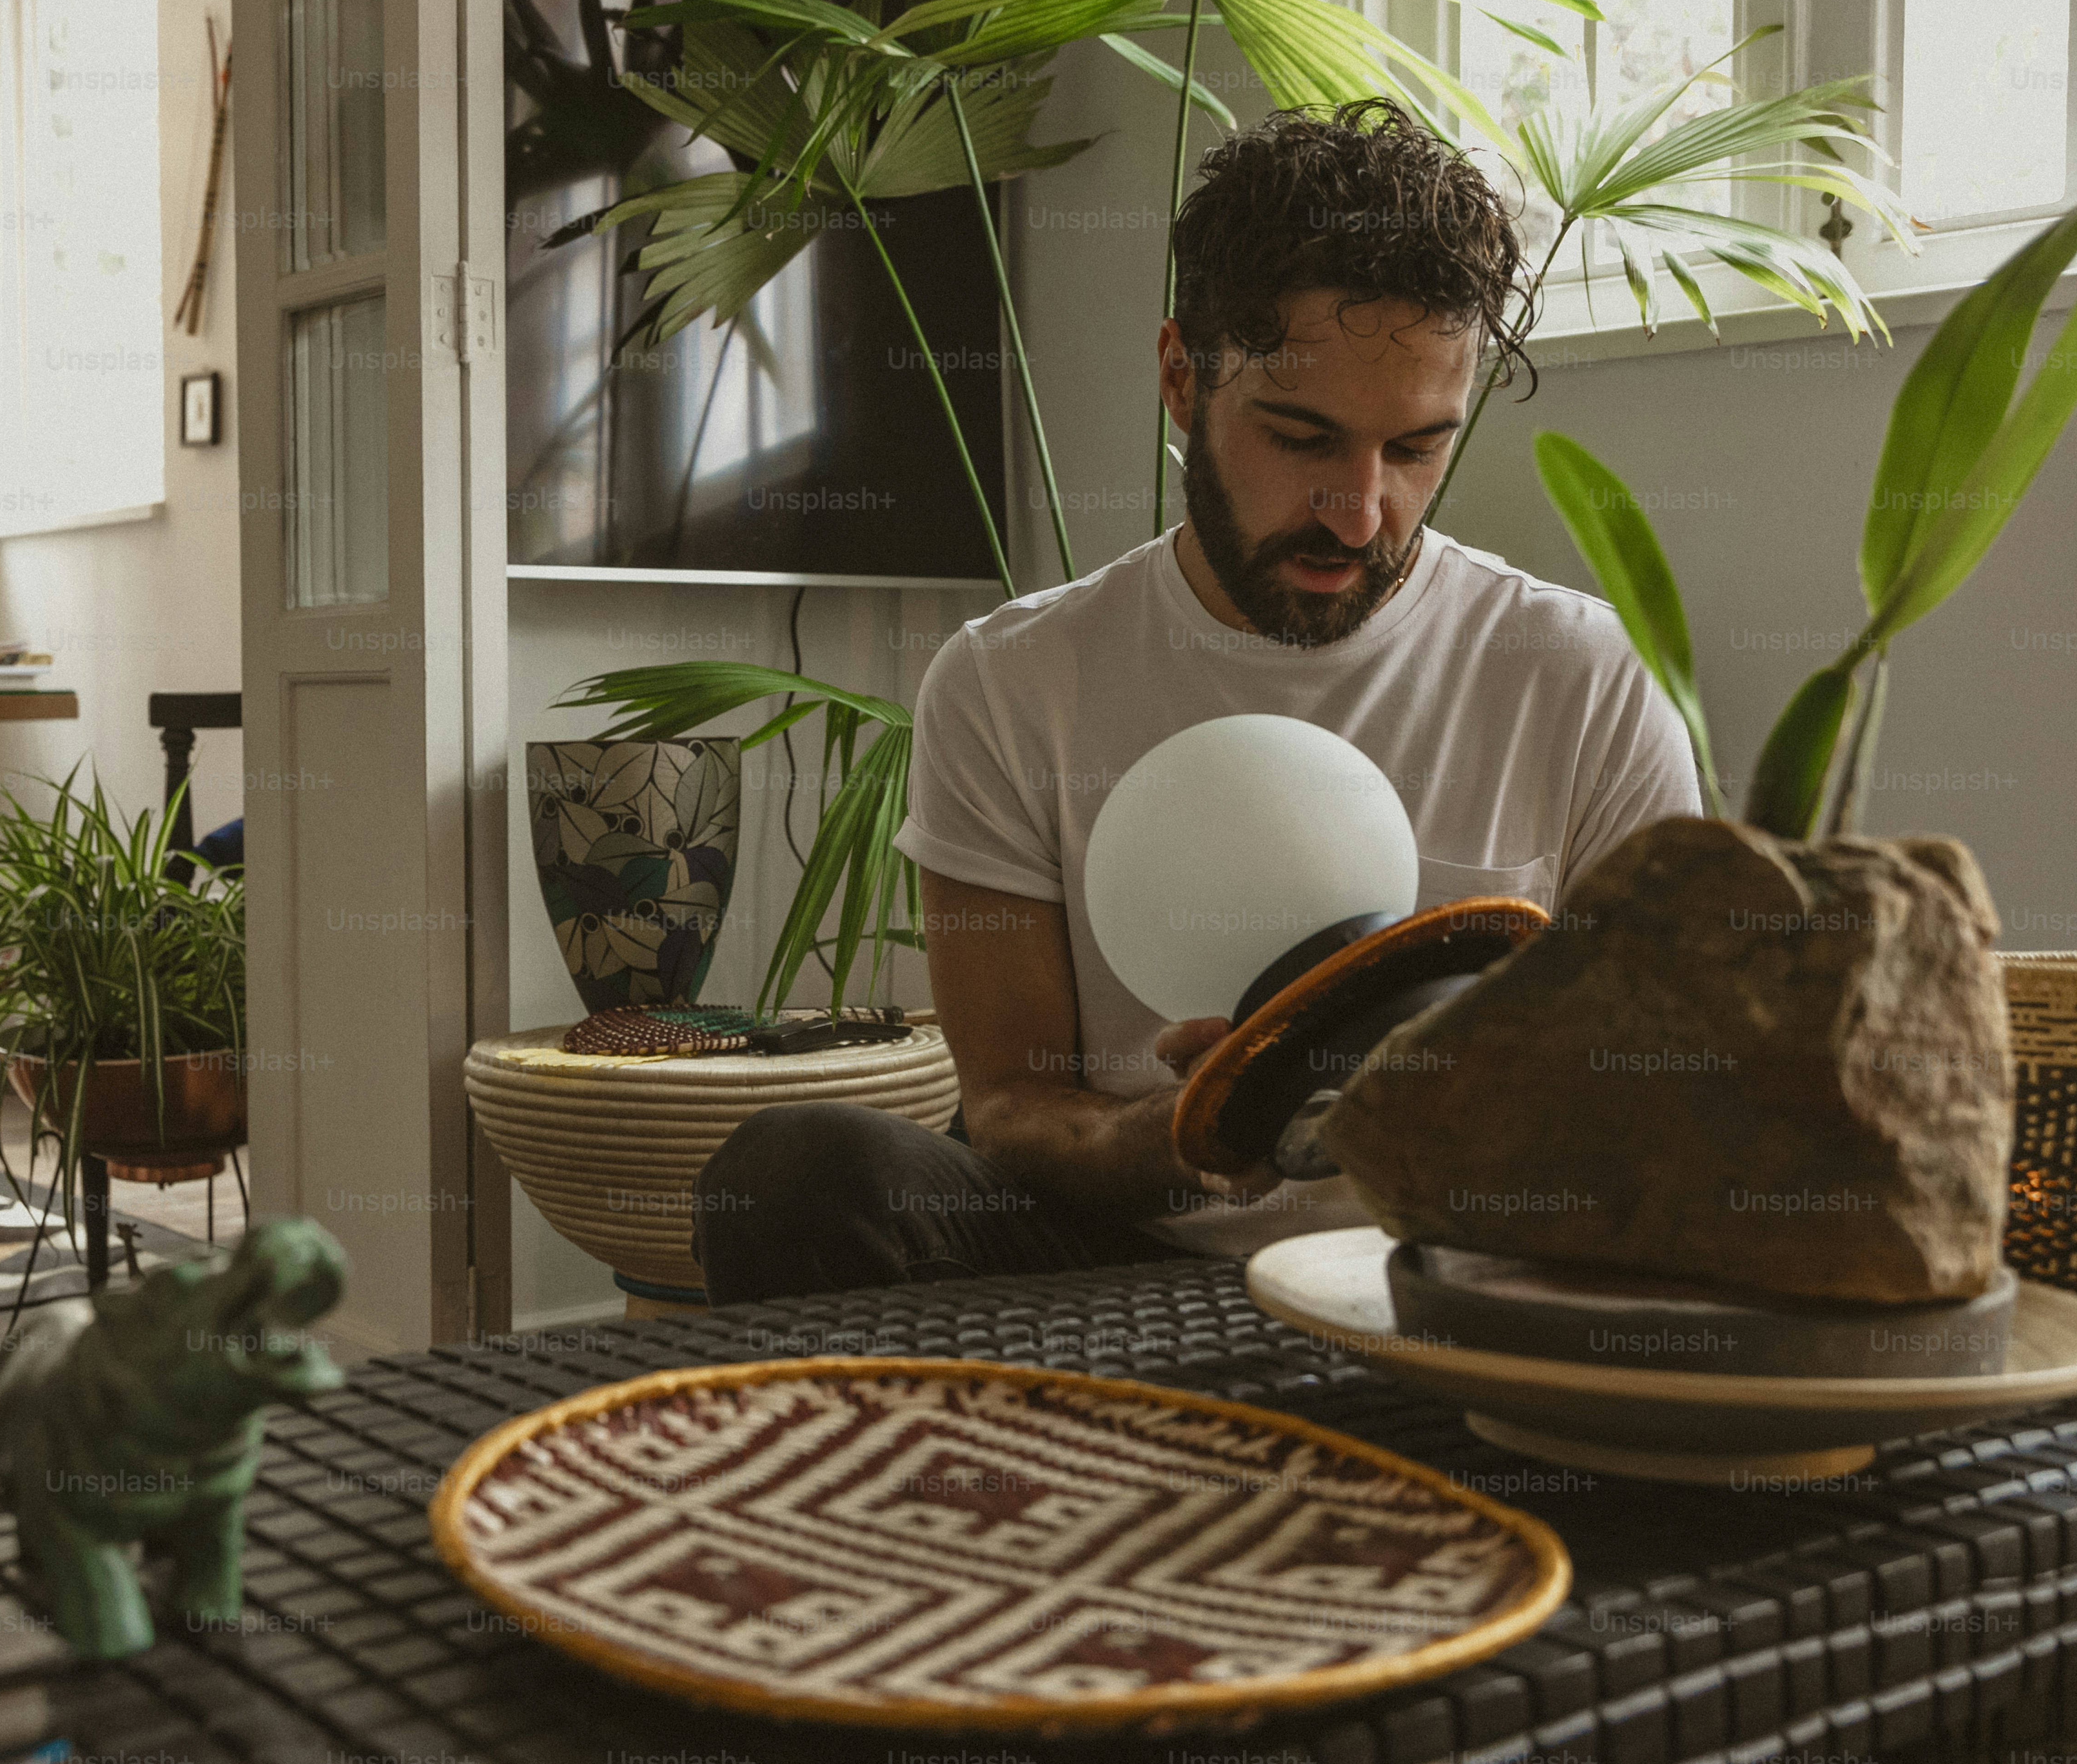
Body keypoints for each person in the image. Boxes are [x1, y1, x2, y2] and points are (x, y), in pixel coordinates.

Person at [690, 99, 1706, 1306]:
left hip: (1445, 1266)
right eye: (1300, 436)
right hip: (1124, 1254)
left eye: (1416, 450)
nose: (1358, 509)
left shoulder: (1575, 674)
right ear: (1182, 379)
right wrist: (1181, 1133)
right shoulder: (1011, 680)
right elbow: (1011, 1105)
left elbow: (1664, 1085)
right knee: (794, 1175)